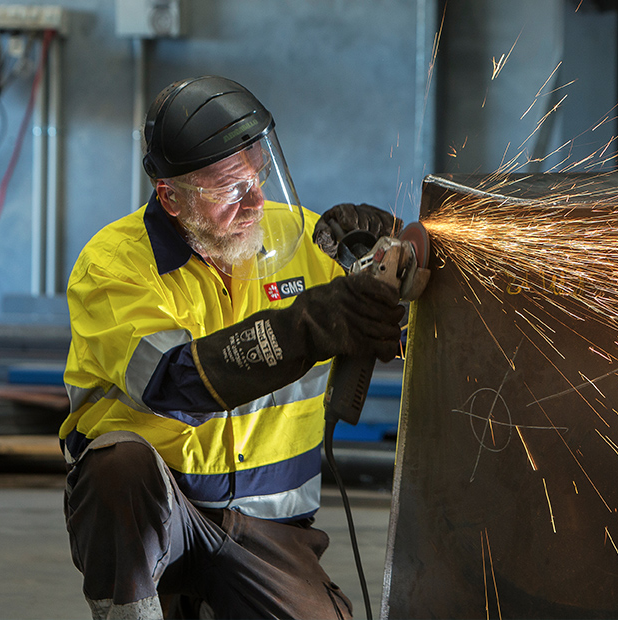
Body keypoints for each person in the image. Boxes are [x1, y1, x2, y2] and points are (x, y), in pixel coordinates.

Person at [59, 75, 406, 619]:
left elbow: (404, 328)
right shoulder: (115, 265)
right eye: (230, 191)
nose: (256, 204)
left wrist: (393, 269)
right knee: (117, 469)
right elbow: (173, 382)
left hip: (270, 529)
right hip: (167, 513)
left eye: (258, 180)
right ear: (170, 198)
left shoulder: (308, 242)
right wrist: (306, 328)